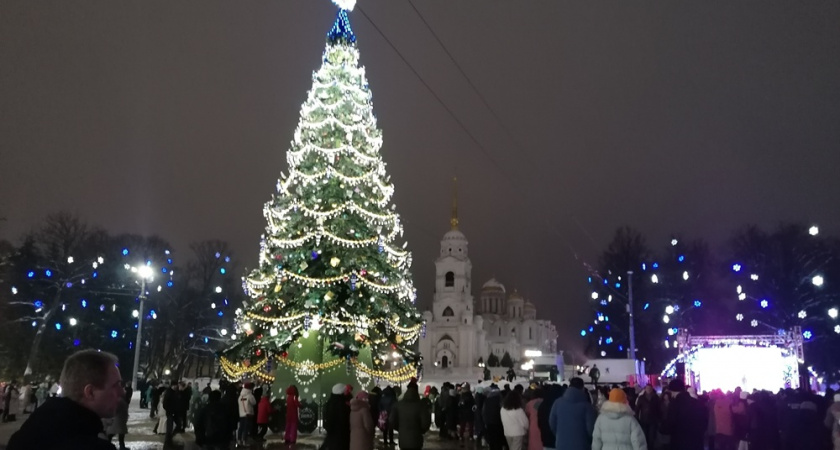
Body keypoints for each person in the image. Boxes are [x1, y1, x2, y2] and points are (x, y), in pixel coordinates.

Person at [7, 349, 125, 450]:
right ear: (90, 392)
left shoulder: (31, 430)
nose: (122, 392)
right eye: (116, 385)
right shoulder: (91, 446)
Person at [548, 377, 596, 450]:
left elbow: (552, 423)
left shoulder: (557, 402)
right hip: (582, 445)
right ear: (582, 388)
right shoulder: (587, 406)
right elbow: (591, 429)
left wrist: (560, 435)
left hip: (561, 444)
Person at [661, 379, 707, 450]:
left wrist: (661, 428)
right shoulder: (698, 403)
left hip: (680, 443)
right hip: (697, 443)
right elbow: (704, 422)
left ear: (672, 391)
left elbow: (670, 425)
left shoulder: (675, 405)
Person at [390, 383, 431, 450]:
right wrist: (421, 431)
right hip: (416, 439)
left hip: (403, 439)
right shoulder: (421, 406)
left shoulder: (398, 405)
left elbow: (392, 420)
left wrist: (399, 428)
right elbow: (425, 423)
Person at [324, 383, 351, 450]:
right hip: (341, 434)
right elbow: (344, 419)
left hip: (333, 434)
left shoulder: (330, 402)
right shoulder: (341, 404)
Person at [635, 385, 661, 449]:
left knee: (651, 436)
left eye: (650, 388)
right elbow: (637, 409)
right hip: (644, 419)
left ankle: (650, 447)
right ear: (645, 389)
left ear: (652, 389)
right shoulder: (641, 397)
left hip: (653, 419)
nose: (648, 389)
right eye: (647, 388)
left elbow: (659, 408)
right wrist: (637, 418)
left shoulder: (656, 397)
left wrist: (659, 418)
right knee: (645, 435)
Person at [483, 384, 505, 450]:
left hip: (489, 423)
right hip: (498, 423)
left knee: (492, 442)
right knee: (498, 442)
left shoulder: (487, 400)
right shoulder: (501, 399)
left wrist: (485, 422)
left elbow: (483, 412)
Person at [236, 382, 256, 447]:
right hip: (248, 414)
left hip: (241, 414)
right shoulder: (250, 395)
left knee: (241, 428)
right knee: (246, 428)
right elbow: (254, 403)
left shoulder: (240, 396)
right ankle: (244, 441)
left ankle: (239, 440)